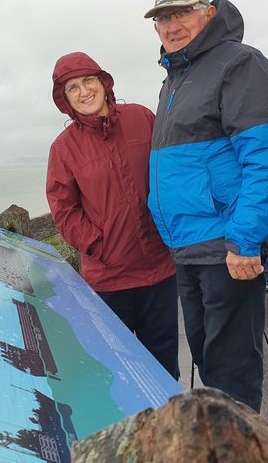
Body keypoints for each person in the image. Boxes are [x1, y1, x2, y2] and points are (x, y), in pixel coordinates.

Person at [144, 0, 268, 411]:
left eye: (182, 13)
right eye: (163, 19)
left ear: (208, 13)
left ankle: (239, 442)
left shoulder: (238, 63)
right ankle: (221, 438)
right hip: (187, 246)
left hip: (227, 247)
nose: (172, 26)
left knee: (231, 374)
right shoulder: (175, 77)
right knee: (208, 363)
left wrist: (244, 240)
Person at [46, 51, 179, 378]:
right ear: (65, 99)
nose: (84, 91)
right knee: (116, 371)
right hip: (108, 279)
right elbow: (64, 210)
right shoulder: (63, 148)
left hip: (160, 270)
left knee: (164, 365)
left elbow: (170, 172)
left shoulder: (142, 118)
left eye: (88, 80)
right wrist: (100, 246)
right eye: (72, 88)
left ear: (104, 83)